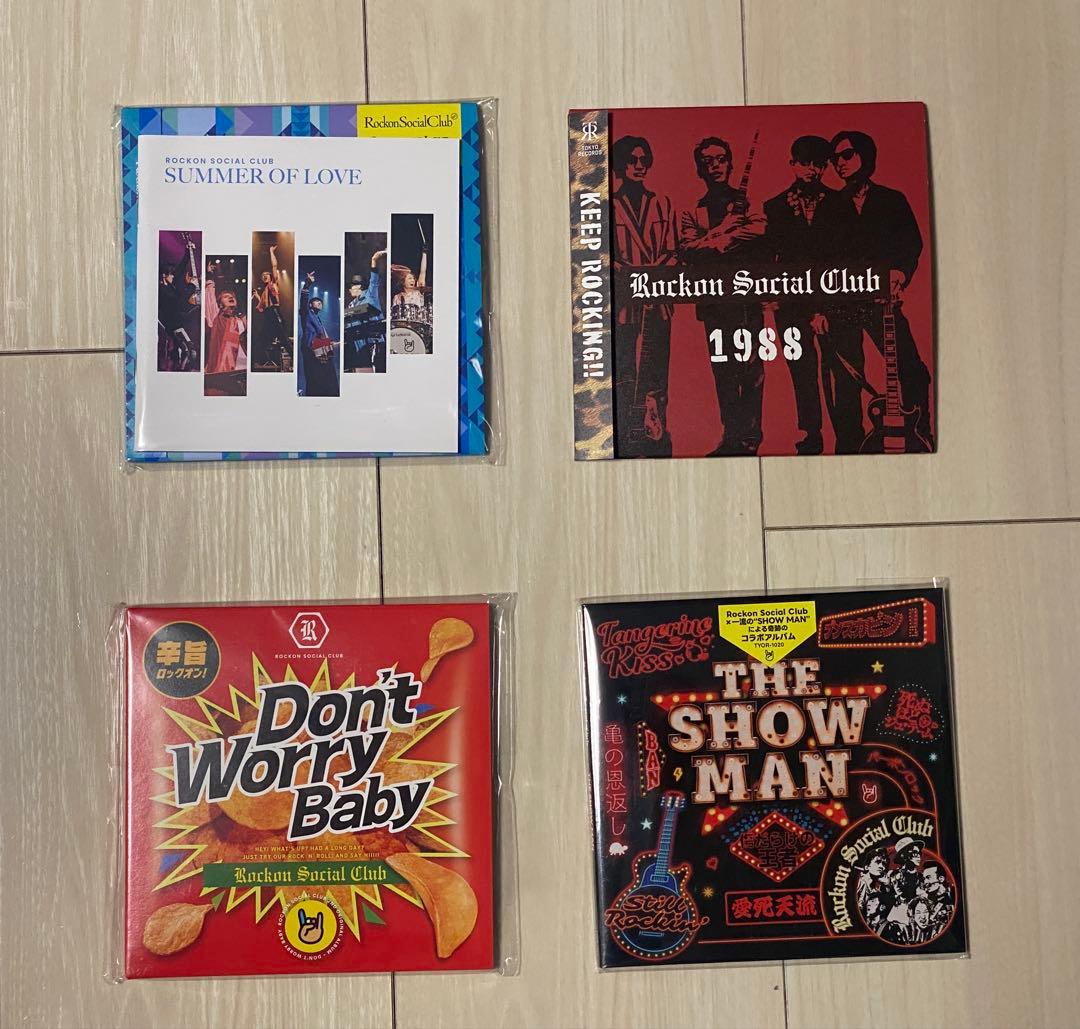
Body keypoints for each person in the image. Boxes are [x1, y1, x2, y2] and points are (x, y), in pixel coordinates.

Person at [819, 130, 934, 450]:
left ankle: (919, 434)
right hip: (841, 304)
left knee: (912, 370)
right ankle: (850, 446)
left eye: (847, 155)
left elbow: (911, 243)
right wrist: (819, 310)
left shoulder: (891, 200)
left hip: (882, 302)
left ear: (865, 155)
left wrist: (900, 272)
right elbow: (819, 261)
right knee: (846, 379)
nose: (839, 163)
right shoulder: (830, 207)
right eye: (834, 159)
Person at [679, 136, 767, 455]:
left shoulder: (749, 203)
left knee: (751, 369)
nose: (715, 166)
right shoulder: (694, 210)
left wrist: (712, 242)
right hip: (713, 301)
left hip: (745, 298)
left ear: (730, 164)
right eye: (707, 161)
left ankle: (750, 438)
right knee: (724, 371)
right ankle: (731, 437)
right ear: (699, 169)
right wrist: (725, 231)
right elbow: (687, 249)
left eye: (720, 159)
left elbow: (758, 231)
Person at [762, 135, 835, 453]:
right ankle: (811, 432)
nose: (812, 170)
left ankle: (846, 433)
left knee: (838, 368)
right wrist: (770, 292)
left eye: (819, 164)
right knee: (802, 368)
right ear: (792, 164)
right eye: (805, 163)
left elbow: (844, 256)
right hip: (790, 301)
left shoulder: (839, 203)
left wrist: (824, 307)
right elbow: (769, 255)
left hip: (832, 297)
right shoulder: (774, 206)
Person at [610, 134, 678, 456]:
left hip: (658, 301)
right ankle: (628, 433)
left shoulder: (663, 203)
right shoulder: (607, 206)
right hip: (625, 303)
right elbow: (602, 255)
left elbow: (673, 251)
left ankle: (656, 434)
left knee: (657, 369)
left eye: (644, 160)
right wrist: (629, 276)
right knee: (626, 369)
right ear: (620, 165)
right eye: (632, 160)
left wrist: (654, 277)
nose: (639, 166)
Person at [345, 249, 387, 373]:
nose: (349, 290)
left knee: (376, 369)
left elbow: (374, 280)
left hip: (373, 342)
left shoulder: (370, 294)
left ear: (359, 286)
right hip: (358, 345)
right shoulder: (351, 304)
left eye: (351, 287)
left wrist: (374, 260)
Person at [298, 270, 339, 397]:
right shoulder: (307, 313)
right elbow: (303, 301)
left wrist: (331, 343)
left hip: (321, 349)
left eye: (320, 301)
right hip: (312, 348)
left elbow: (321, 335)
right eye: (316, 301)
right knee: (315, 377)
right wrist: (307, 285)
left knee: (328, 375)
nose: (320, 302)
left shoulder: (318, 319)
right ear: (310, 305)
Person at [252, 243, 289, 370]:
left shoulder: (273, 284)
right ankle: (257, 361)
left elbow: (274, 266)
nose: (264, 276)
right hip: (269, 314)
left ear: (271, 276)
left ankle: (293, 358)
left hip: (275, 312)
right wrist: (257, 296)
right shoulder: (264, 292)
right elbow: (263, 306)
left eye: (266, 275)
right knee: (261, 339)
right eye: (262, 276)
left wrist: (271, 252)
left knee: (283, 339)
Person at [204, 280, 247, 376]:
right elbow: (210, 303)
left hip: (243, 366)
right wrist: (210, 285)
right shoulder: (218, 318)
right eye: (226, 296)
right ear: (220, 304)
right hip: (223, 370)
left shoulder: (241, 319)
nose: (231, 297)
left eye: (232, 297)